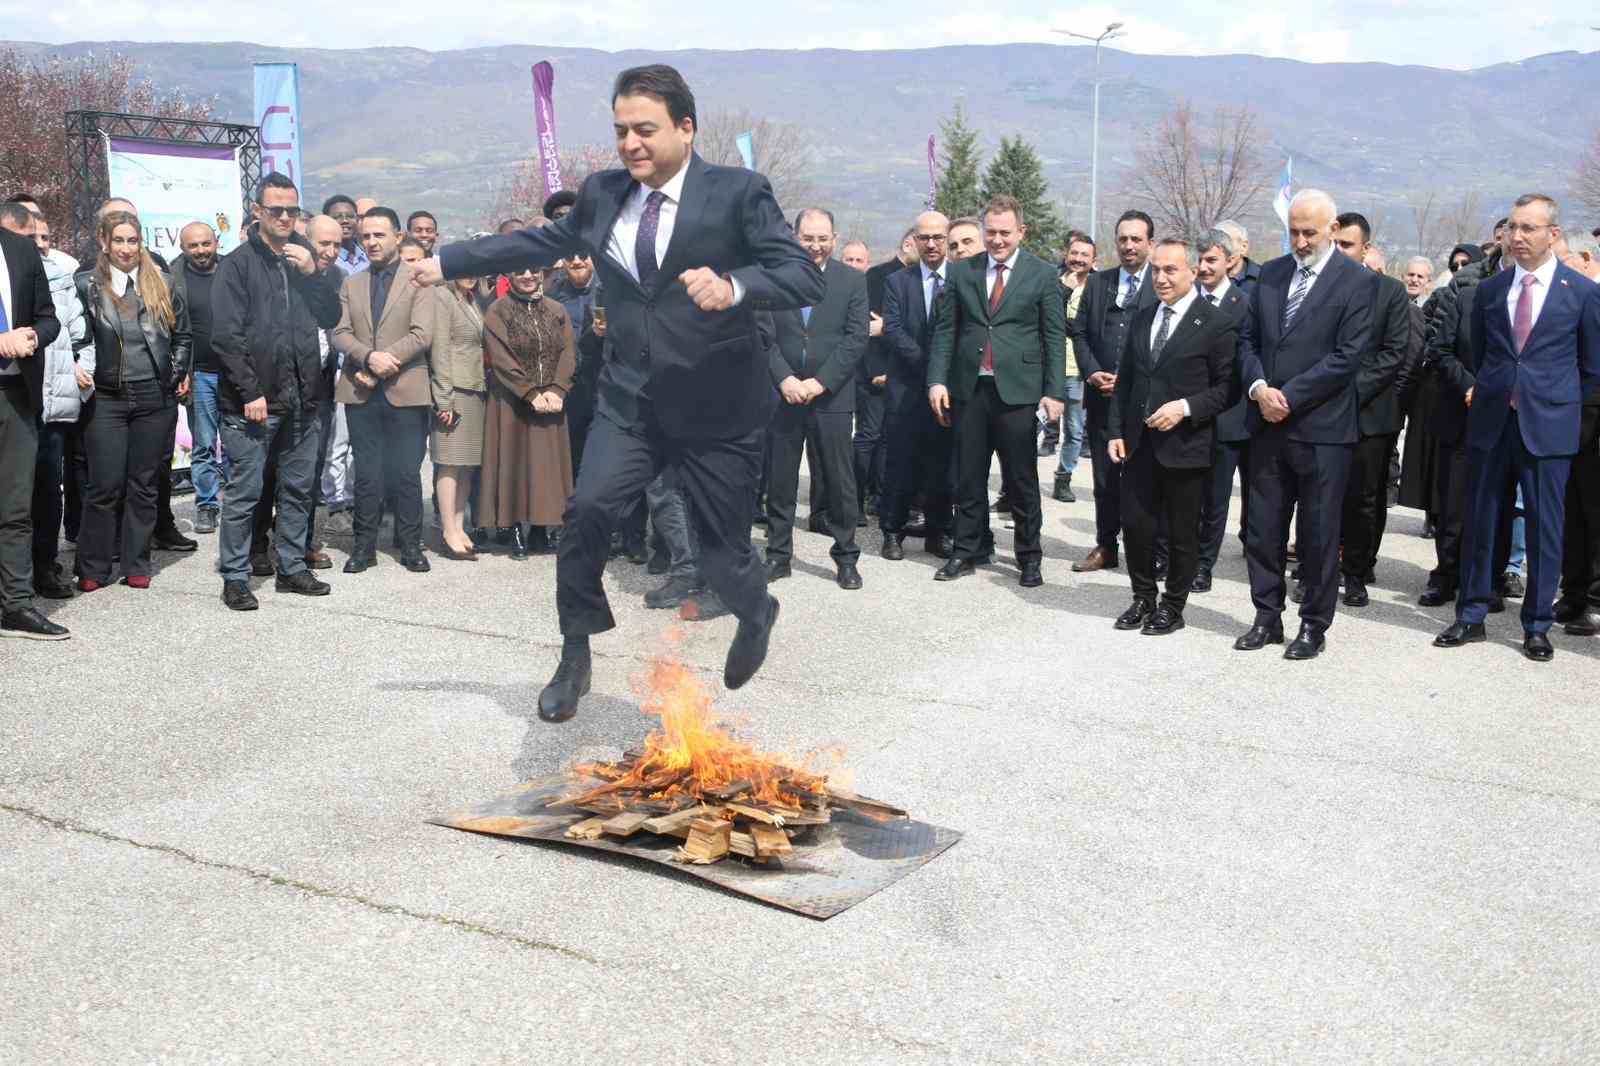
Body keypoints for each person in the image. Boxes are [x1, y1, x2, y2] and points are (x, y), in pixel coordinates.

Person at [414, 63, 822, 722]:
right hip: (632, 401)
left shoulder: (738, 193)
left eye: (645, 130)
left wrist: (735, 286)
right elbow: (542, 240)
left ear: (686, 128)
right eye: (621, 130)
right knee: (587, 512)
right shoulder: (604, 193)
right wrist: (450, 261)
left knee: (723, 553)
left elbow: (802, 274)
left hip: (717, 409)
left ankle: (756, 611)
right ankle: (575, 653)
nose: (630, 143)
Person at [1435, 194, 1600, 662]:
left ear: (1553, 234)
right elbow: (1485, 353)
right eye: (1512, 227)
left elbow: (1592, 369)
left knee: (1546, 528)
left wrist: (1559, 407)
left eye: (1529, 227)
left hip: (1549, 428)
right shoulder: (1489, 291)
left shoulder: (1582, 293)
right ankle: (1471, 614)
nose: (1518, 236)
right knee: (1482, 519)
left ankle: (1537, 625)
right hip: (1492, 423)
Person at [1234, 189, 1376, 660]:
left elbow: (1347, 357)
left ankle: (1314, 624)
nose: (1300, 241)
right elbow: (1247, 340)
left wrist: (1289, 397)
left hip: (1322, 431)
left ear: (1332, 229)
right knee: (1263, 530)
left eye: (1309, 233)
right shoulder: (1272, 274)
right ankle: (1266, 616)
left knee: (1317, 535)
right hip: (1267, 426)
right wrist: (1259, 388)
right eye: (1293, 232)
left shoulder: (1357, 282)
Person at [211, 173, 342, 610]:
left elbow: (331, 315)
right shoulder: (237, 265)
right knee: (246, 494)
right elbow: (226, 337)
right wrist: (250, 391)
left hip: (304, 399)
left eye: (292, 210)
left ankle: (291, 567)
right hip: (253, 404)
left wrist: (313, 274)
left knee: (298, 490)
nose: (285, 217)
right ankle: (235, 576)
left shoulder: (303, 260)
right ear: (258, 212)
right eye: (276, 209)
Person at [927, 194, 1066, 588]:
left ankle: (1029, 557)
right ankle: (966, 550)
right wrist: (937, 380)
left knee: (1021, 480)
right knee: (968, 477)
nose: (997, 240)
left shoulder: (1042, 274)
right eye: (991, 232)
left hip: (1018, 393)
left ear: (1021, 231)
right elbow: (946, 331)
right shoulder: (961, 272)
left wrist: (1054, 392)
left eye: (1005, 232)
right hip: (969, 390)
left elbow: (1054, 336)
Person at [1106, 238, 1237, 634]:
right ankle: (1143, 597)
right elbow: (1127, 379)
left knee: (1182, 533)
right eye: (1156, 270)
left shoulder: (1215, 322)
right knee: (1136, 526)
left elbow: (1227, 388)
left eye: (1170, 270)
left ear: (1193, 271)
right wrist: (1116, 430)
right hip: (1139, 445)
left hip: (1186, 446)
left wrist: (1185, 407)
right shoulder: (1144, 316)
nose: (1161, 278)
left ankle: (1173, 607)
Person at [72, 210, 191, 593]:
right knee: (104, 485)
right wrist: (76, 364)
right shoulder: (86, 285)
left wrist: (175, 372)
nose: (126, 248)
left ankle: (136, 563)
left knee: (144, 484)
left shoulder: (163, 283)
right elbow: (74, 335)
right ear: (104, 243)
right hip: (106, 399)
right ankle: (92, 565)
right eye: (119, 240)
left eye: (133, 240)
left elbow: (183, 336)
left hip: (154, 397)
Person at [764, 208, 867, 589]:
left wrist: (820, 382)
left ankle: (846, 556)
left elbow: (856, 337)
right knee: (780, 478)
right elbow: (763, 335)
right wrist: (785, 378)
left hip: (832, 397)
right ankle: (778, 555)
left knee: (839, 481)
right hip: (784, 395)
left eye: (823, 239)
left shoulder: (851, 280)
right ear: (795, 237)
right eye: (808, 238)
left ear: (834, 239)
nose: (816, 246)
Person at [332, 206, 435, 575]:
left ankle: (410, 544)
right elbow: (340, 332)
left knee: (406, 472)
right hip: (360, 390)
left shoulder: (419, 279)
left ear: (397, 236)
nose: (372, 242)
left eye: (379, 235)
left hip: (405, 388)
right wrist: (368, 357)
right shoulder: (351, 283)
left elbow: (422, 334)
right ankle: (364, 547)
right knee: (367, 474)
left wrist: (382, 363)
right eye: (366, 236)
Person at [0, 207, 87, 603]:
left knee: (17, 508)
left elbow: (49, 318)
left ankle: (17, 602)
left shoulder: (21, 250)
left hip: (18, 393)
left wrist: (34, 335)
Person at [1332, 212, 1416, 607]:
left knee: (1364, 500)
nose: (1339, 251)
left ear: (1365, 249)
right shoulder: (1317, 289)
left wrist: (1347, 393)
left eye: (1347, 245)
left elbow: (1394, 353)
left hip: (1370, 413)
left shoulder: (1390, 292)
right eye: (1334, 243)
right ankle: (1320, 570)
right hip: (1321, 412)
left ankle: (1357, 572)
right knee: (1322, 497)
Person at [1069, 209, 1157, 573]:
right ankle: (1106, 545)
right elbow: (1079, 332)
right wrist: (1092, 372)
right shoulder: (1098, 282)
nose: (1129, 245)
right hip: (1102, 399)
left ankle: (1148, 550)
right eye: (1123, 239)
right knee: (1104, 479)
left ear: (1150, 243)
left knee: (1146, 480)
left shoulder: (1161, 283)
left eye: (1136, 239)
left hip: (1145, 404)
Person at [478, 267, 575, 557]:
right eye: (520, 271)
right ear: (510, 275)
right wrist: (529, 392)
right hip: (512, 399)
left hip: (550, 400)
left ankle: (541, 529)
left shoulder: (557, 310)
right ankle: (514, 528)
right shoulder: (498, 310)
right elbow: (501, 357)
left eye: (534, 270)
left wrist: (558, 389)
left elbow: (568, 352)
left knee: (545, 465)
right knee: (513, 462)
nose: (528, 275)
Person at [879, 210, 954, 561]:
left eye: (938, 237)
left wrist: (943, 372)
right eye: (924, 238)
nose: (932, 244)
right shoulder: (898, 282)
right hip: (906, 387)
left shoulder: (961, 279)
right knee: (900, 461)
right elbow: (892, 329)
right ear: (915, 240)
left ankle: (938, 532)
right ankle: (892, 531)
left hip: (947, 390)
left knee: (942, 463)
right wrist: (932, 364)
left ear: (947, 239)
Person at [1192, 227, 1251, 592]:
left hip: (1227, 418)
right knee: (1185, 494)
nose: (1203, 267)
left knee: (1215, 497)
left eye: (1211, 260)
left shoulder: (1244, 305)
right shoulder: (1186, 300)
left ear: (1230, 261)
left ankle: (1203, 564)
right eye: (1199, 260)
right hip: (1187, 415)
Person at [171, 221, 226, 533]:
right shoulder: (173, 278)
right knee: (204, 444)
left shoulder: (233, 271)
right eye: (193, 245)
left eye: (206, 243)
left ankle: (239, 505)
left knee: (237, 445)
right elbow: (172, 330)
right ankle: (207, 505)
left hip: (235, 373)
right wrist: (182, 370)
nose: (201, 250)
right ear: (183, 248)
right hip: (200, 373)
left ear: (216, 242)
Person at [546, 250, 605, 474]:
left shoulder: (610, 288)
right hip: (570, 389)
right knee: (571, 458)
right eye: (571, 256)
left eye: (583, 255)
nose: (577, 261)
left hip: (606, 387)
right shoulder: (552, 294)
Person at [1049, 231, 1095, 500]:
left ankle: (1063, 478)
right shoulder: (1052, 282)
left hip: (1078, 370)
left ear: (1093, 260)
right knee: (1029, 427)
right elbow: (1049, 319)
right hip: (1048, 367)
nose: (1078, 259)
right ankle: (1016, 484)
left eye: (1084, 255)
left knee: (1074, 430)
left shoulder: (1098, 287)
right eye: (1074, 253)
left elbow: (1090, 327)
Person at [322, 195, 368, 275]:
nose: (345, 220)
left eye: (350, 216)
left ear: (357, 220)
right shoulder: (325, 260)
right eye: (337, 217)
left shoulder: (369, 256)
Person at [1215, 220, 1261, 291]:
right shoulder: (1202, 280)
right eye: (1216, 244)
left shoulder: (1265, 279)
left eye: (1227, 244)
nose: (1221, 251)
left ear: (1244, 247)